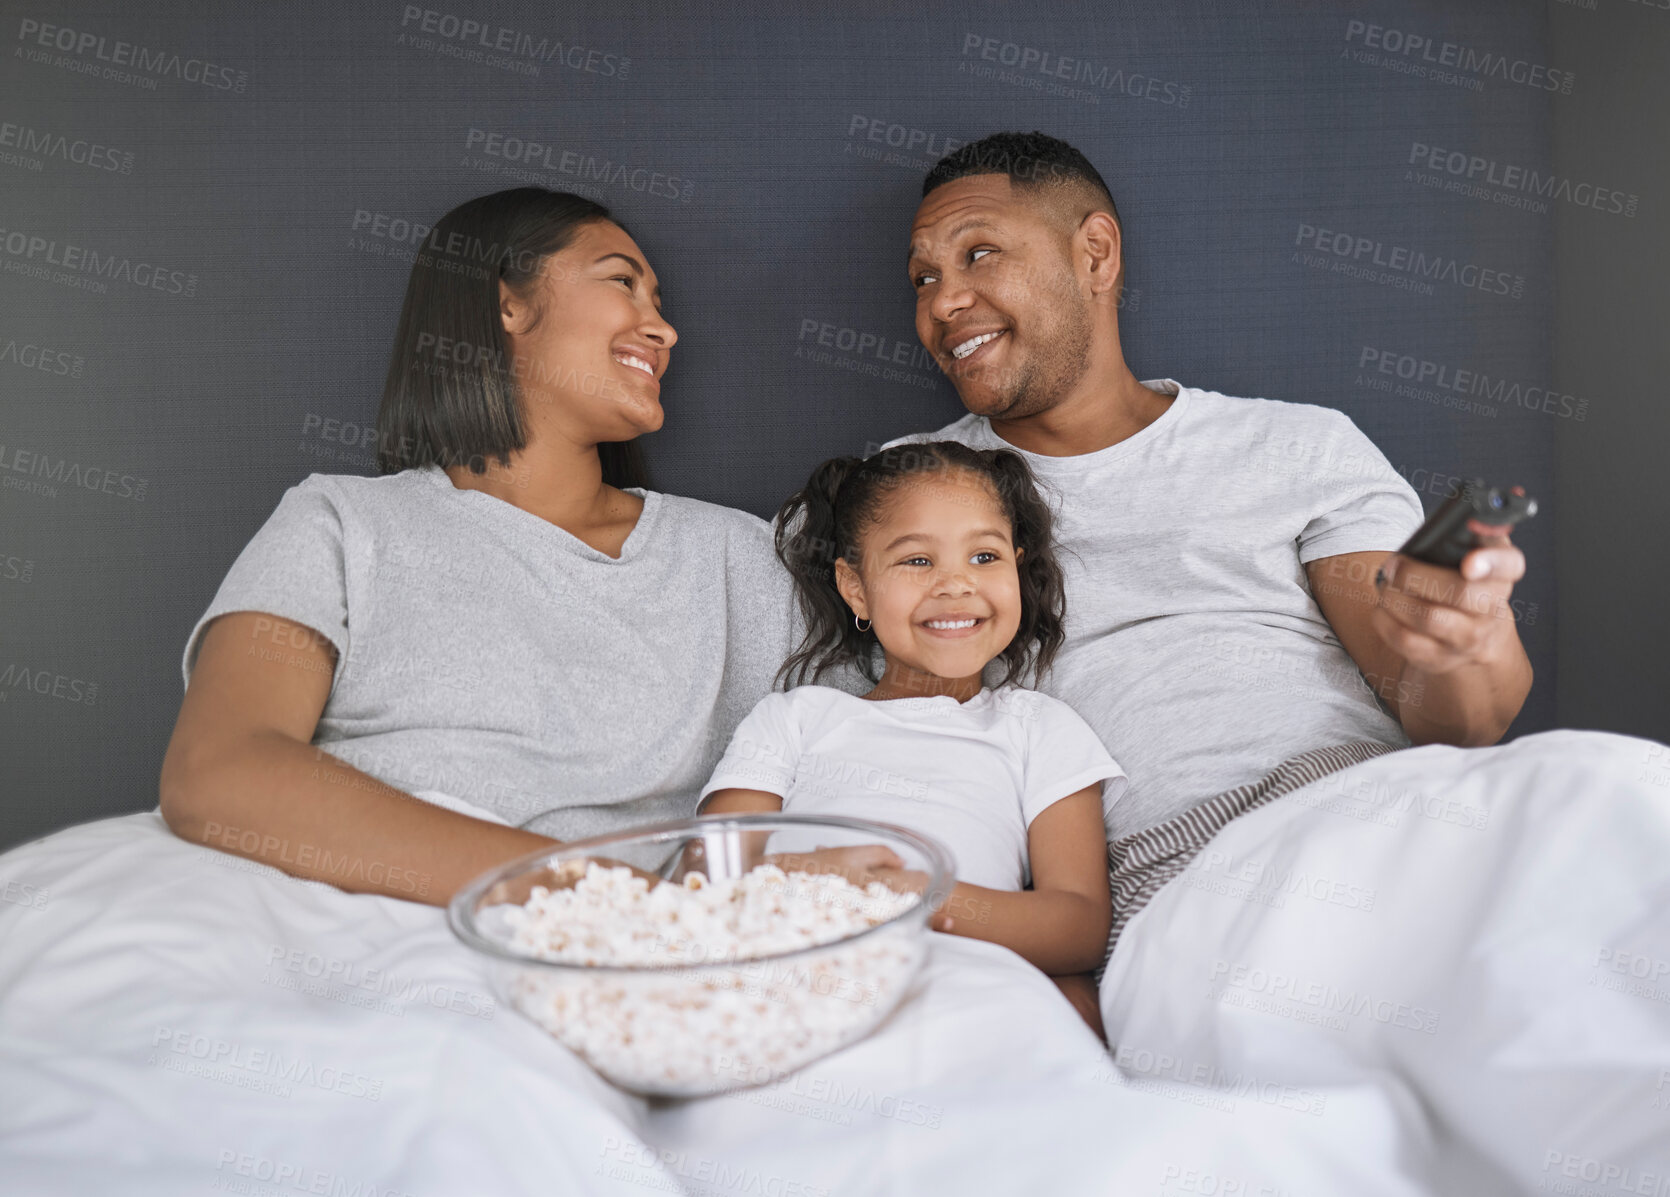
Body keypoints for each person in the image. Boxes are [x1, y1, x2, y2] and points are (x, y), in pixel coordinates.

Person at [885, 132, 1535, 947]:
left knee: (1623, 791)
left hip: (1387, 807)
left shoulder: (1299, 446)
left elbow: (1451, 717)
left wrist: (1462, 643)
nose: (943, 303)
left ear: (1095, 254)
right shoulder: (906, 499)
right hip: (1174, 873)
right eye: (924, 277)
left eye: (980, 254)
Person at [157, 186, 832, 903]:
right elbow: (219, 769)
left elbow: (906, 731)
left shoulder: (737, 557)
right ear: (508, 304)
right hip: (355, 921)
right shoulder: (340, 522)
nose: (662, 329)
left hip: (625, 964)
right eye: (622, 282)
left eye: (658, 302)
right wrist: (599, 894)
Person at [698, 441, 1127, 1028]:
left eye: (984, 557)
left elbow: (1076, 928)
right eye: (917, 561)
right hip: (786, 981)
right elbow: (700, 885)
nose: (956, 585)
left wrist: (907, 898)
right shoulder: (795, 719)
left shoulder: (1040, 728)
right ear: (855, 588)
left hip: (957, 988)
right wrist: (800, 885)